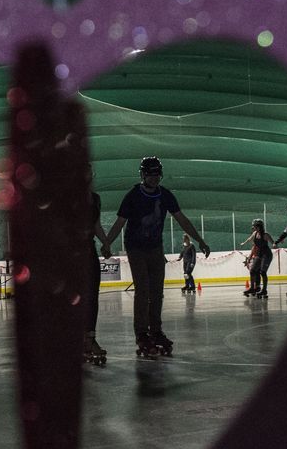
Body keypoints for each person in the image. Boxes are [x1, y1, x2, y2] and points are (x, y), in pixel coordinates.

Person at [103, 156, 210, 357]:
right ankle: (142, 333)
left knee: (157, 292)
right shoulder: (133, 195)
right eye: (149, 174)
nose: (153, 178)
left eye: (156, 174)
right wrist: (107, 242)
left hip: (155, 248)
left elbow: (182, 220)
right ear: (142, 175)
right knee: (143, 291)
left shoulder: (165, 195)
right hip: (136, 248)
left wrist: (200, 240)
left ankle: (156, 330)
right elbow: (119, 223)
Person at [83, 179, 112, 365]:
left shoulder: (95, 199)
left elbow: (96, 225)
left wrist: (106, 242)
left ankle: (90, 339)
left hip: (88, 250)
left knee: (92, 297)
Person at [240, 219, 275, 298]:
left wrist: (274, 244)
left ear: (259, 226)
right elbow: (249, 239)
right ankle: (253, 288)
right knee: (252, 270)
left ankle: (264, 290)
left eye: (255, 226)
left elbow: (272, 242)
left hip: (267, 255)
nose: (254, 227)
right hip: (259, 254)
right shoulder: (255, 233)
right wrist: (244, 243)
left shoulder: (265, 234)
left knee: (263, 272)